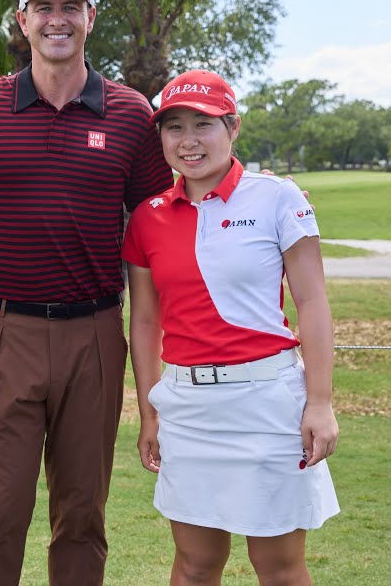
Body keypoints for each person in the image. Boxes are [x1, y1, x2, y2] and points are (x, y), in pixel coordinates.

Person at [0, 0, 175, 585]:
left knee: (81, 517)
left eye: (70, 7)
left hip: (94, 336)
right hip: (2, 333)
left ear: (90, 19)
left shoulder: (129, 113)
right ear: (23, 21)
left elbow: (160, 219)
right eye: (43, 8)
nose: (57, 19)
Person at [121, 69, 339, 586]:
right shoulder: (148, 217)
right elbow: (146, 321)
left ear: (233, 127)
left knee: (279, 567)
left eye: (204, 124)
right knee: (195, 566)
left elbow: (312, 302)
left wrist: (321, 401)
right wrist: (149, 412)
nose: (188, 141)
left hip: (268, 402)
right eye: (174, 127)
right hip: (188, 408)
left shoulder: (279, 197)